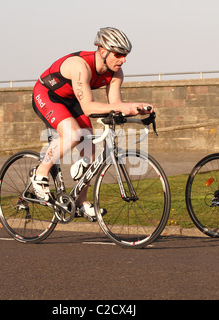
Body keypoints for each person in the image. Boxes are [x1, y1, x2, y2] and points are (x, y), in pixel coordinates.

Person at [30, 27, 154, 221]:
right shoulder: (80, 66)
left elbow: (115, 105)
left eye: (125, 55)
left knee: (90, 152)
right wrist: (126, 107)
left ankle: (80, 202)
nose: (123, 60)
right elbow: (88, 107)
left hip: (73, 100)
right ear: (103, 51)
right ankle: (39, 174)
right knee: (72, 134)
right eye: (118, 54)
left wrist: (137, 108)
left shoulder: (116, 73)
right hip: (48, 94)